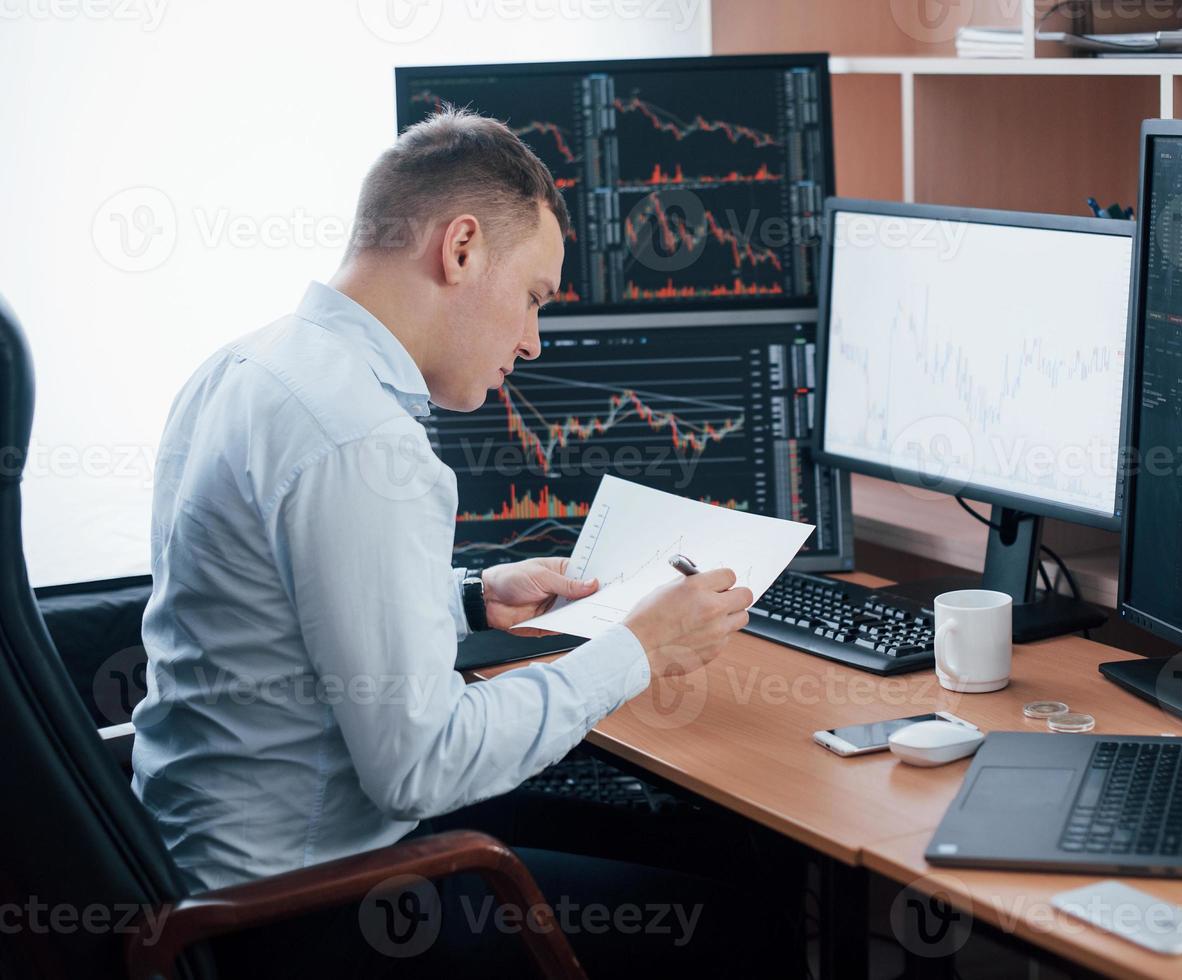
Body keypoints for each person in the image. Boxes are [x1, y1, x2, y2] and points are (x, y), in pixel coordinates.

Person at [130, 107, 768, 977]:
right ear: (461, 249)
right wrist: (636, 650)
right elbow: (420, 769)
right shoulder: (362, 441)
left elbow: (279, 607)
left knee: (680, 836)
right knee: (737, 916)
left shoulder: (247, 367)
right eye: (534, 298)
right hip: (297, 914)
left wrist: (468, 595)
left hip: (195, 868)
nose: (533, 342)